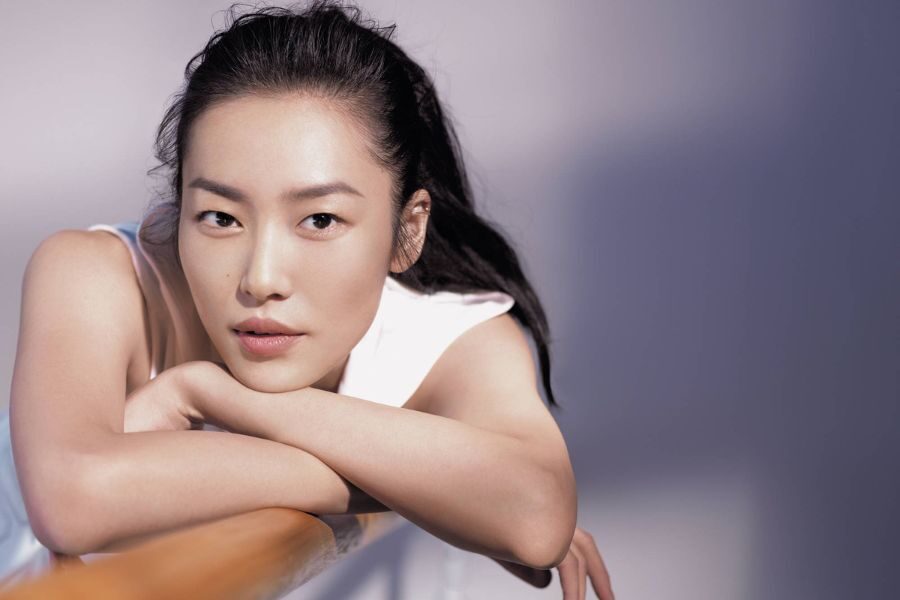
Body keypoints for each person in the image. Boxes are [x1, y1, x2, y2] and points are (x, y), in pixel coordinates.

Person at [1, 2, 614, 598]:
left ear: (409, 229)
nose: (261, 278)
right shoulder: (97, 275)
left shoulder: (448, 338)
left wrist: (211, 394)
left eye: (320, 220)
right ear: (176, 210)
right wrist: (425, 490)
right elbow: (71, 501)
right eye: (219, 216)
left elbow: (534, 515)